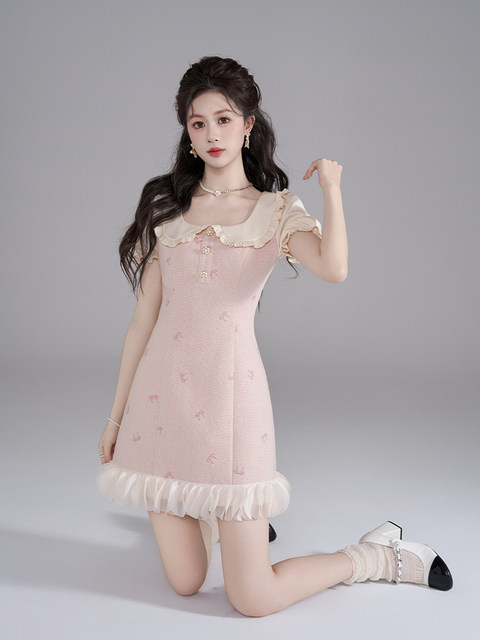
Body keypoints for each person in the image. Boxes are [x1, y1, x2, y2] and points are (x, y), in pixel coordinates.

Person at [96, 55, 453, 617]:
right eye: (198, 123)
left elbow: (334, 268)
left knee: (253, 598)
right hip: (160, 407)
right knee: (186, 583)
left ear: (248, 124)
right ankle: (220, 520)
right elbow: (143, 320)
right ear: (187, 133)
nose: (212, 134)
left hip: (231, 405)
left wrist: (333, 189)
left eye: (224, 119)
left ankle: (374, 555)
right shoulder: (167, 207)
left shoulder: (275, 210)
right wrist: (116, 418)